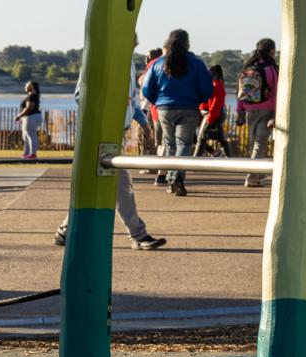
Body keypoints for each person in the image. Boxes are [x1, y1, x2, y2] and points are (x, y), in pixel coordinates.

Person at [55, 55, 165, 251]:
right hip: (101, 132)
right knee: (122, 186)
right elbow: (81, 95)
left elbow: (131, 101)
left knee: (90, 186)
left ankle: (64, 230)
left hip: (117, 132)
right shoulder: (98, 58)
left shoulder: (129, 63)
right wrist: (111, 100)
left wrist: (143, 122)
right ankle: (138, 235)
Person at [140, 28, 213, 196]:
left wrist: (157, 101)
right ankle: (177, 178)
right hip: (188, 108)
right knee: (183, 144)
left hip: (164, 108)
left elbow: (146, 89)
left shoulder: (158, 63)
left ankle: (171, 177)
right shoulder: (196, 64)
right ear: (187, 43)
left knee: (169, 143)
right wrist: (197, 100)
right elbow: (207, 88)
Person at [235, 38, 278, 187]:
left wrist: (240, 110)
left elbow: (240, 92)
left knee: (252, 143)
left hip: (249, 109)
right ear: (272, 51)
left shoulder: (248, 67)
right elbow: (276, 92)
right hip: (266, 109)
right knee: (260, 143)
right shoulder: (271, 69)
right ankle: (252, 177)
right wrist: (275, 112)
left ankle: (257, 175)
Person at [196, 64, 231, 157]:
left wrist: (210, 118)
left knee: (201, 138)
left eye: (209, 72)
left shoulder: (216, 85)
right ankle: (229, 157)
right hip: (212, 114)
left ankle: (195, 159)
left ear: (215, 73)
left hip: (211, 114)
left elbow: (215, 104)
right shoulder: (215, 84)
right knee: (220, 138)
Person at [17, 80, 42, 161]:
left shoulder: (32, 96)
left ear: (31, 86)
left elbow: (29, 108)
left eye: (26, 85)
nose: (25, 86)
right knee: (25, 136)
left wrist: (20, 115)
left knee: (30, 135)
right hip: (28, 117)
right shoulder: (31, 96)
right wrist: (22, 118)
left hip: (31, 117)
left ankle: (33, 154)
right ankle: (26, 153)